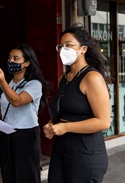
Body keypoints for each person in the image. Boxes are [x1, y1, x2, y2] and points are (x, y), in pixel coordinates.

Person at [43, 25, 111, 183]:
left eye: (68, 45)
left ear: (83, 49)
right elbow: (64, 110)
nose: (63, 49)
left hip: (85, 153)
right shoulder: (64, 77)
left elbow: (103, 121)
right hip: (62, 149)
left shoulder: (92, 78)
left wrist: (65, 127)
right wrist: (52, 124)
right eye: (61, 46)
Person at [0, 44, 50, 183]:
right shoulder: (9, 82)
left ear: (27, 62)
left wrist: (2, 83)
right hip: (7, 133)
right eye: (9, 58)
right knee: (9, 173)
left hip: (26, 135)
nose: (11, 61)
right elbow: (3, 109)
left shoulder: (34, 84)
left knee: (26, 175)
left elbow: (17, 101)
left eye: (16, 58)